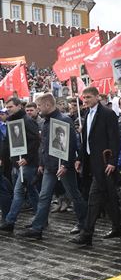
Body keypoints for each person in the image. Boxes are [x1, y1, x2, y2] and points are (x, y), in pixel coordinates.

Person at [21, 94, 87, 239]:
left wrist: (65, 164)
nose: (37, 109)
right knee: (44, 197)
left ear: (47, 105)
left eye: (39, 106)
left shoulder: (64, 120)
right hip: (49, 166)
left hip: (63, 166)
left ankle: (84, 224)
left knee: (74, 195)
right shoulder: (46, 121)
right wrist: (41, 163)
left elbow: (71, 145)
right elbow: (44, 145)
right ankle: (37, 228)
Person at [70, 87, 121, 246]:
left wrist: (113, 161)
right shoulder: (86, 114)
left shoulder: (108, 114)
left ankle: (86, 234)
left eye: (88, 97)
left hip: (104, 162)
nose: (85, 100)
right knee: (108, 196)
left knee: (94, 198)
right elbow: (85, 139)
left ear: (97, 97)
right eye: (84, 98)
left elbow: (114, 139)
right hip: (90, 162)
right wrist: (80, 158)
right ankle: (118, 226)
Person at [0, 98, 41, 233]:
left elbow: (36, 141)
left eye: (11, 107)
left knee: (18, 192)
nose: (8, 109)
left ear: (18, 106)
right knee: (32, 192)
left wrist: (27, 158)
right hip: (16, 162)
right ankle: (41, 218)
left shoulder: (27, 120)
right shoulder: (12, 121)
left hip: (27, 163)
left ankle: (10, 221)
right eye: (7, 107)